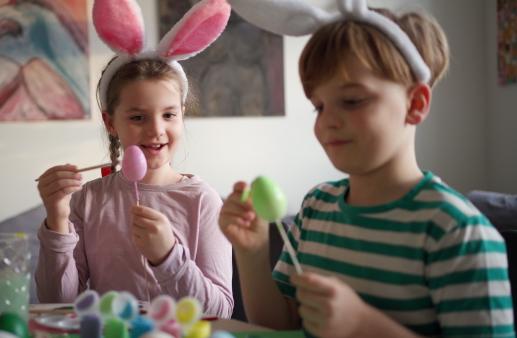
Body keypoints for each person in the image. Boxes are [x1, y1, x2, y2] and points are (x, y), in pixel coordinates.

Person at [220, 0, 515, 336]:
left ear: (415, 105)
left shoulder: (457, 232)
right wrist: (253, 252)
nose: (327, 121)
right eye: (319, 106)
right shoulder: (316, 208)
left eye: (352, 101)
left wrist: (363, 325)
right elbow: (279, 325)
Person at [35, 0, 234, 317]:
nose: (157, 130)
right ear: (111, 123)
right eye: (138, 118)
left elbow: (221, 310)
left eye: (169, 115)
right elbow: (57, 302)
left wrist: (168, 257)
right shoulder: (89, 200)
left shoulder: (203, 201)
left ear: (182, 116)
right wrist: (57, 219)